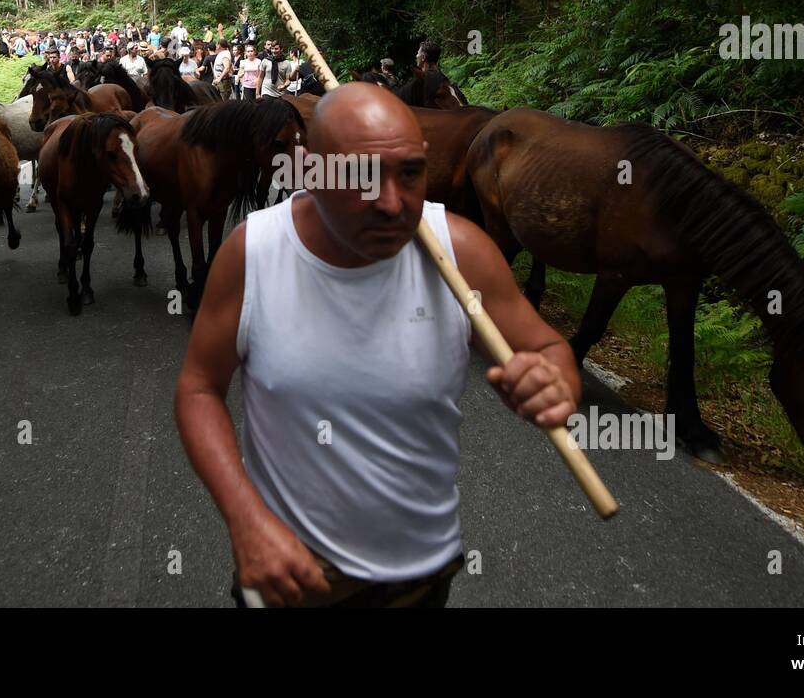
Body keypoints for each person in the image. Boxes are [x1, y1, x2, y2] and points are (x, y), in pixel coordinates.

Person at [174, 83, 581, 608]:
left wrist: (552, 381)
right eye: (362, 177)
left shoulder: (462, 253)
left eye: (410, 173)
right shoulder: (253, 253)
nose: (392, 203)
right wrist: (244, 520)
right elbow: (199, 389)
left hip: (422, 576)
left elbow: (548, 349)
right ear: (312, 173)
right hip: (289, 578)